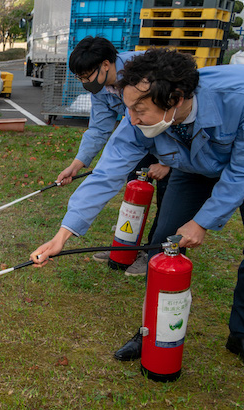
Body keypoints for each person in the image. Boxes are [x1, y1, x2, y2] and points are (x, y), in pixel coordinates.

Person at [32, 48, 244, 379]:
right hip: (192, 162)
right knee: (164, 241)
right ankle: (152, 333)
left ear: (176, 99)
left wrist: (201, 222)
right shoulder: (138, 117)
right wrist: (62, 235)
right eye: (129, 109)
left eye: (140, 110)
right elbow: (107, 172)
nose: (133, 119)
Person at [57, 36, 170, 276]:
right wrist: (77, 164)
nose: (85, 82)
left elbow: (173, 114)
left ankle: (155, 256)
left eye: (87, 76)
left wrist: (166, 162)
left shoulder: (141, 72)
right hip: (138, 139)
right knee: (133, 194)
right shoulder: (100, 89)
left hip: (168, 140)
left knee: (169, 203)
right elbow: (99, 128)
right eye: (80, 78)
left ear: (106, 64)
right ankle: (125, 247)